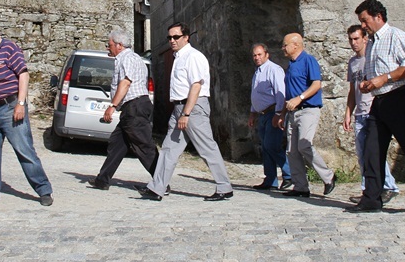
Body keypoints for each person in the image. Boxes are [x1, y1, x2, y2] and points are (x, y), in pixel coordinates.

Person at [348, 0, 405, 213]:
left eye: (364, 20)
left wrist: (384, 78)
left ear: (378, 16)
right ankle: (371, 198)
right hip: (378, 101)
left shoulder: (396, 36)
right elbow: (378, 75)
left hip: (399, 97)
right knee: (372, 150)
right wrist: (369, 83)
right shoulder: (371, 42)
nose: (362, 25)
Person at [135, 22, 233, 201]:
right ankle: (157, 188)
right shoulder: (178, 57)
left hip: (193, 108)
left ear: (186, 37)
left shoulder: (193, 57)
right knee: (169, 149)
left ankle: (224, 187)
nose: (172, 40)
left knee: (206, 148)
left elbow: (196, 85)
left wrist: (186, 114)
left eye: (176, 37)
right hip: (179, 107)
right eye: (169, 37)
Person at [0, 17, 53, 206]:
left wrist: (21, 103)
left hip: (11, 108)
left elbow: (23, 74)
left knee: (24, 150)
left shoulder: (9, 48)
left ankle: (43, 190)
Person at [88, 28, 158, 191]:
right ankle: (102, 179)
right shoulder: (135, 58)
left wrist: (112, 106)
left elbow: (125, 83)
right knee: (117, 143)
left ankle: (161, 183)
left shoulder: (125, 59)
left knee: (144, 146)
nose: (108, 47)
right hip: (133, 108)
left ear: (119, 45)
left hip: (134, 107)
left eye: (109, 44)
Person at [342, 25, 399, 203]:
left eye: (357, 38)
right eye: (351, 39)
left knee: (374, 153)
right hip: (360, 113)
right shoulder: (353, 63)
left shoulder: (372, 58)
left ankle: (389, 186)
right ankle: (369, 191)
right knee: (363, 155)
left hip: (374, 111)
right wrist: (348, 112)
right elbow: (352, 90)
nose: (354, 43)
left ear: (365, 38)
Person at [275, 33, 336, 198]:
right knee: (291, 151)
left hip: (308, 109)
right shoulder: (291, 65)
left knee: (304, 145)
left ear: (295, 45)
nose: (283, 48)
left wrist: (300, 98)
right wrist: (282, 114)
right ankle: (301, 187)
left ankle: (328, 176)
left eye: (285, 45)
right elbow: (289, 93)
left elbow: (316, 84)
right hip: (293, 112)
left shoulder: (309, 60)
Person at [248, 43, 291, 190]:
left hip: (273, 112)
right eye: (254, 55)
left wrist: (279, 113)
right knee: (266, 148)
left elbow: (281, 92)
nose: (257, 57)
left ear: (267, 54)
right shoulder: (257, 72)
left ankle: (289, 175)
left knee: (271, 145)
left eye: (259, 54)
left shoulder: (273, 69)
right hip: (262, 114)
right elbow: (256, 94)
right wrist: (252, 113)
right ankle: (270, 179)